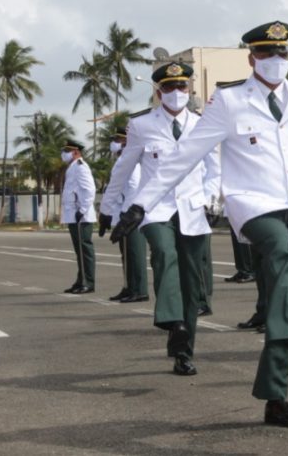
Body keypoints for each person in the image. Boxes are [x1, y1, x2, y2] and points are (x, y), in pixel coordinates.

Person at [111, 21, 288, 428]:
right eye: (266, 53)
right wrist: (140, 205)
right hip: (253, 205)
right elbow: (185, 155)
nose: (275, 59)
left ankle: (275, 398)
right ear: (252, 59)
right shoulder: (228, 101)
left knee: (285, 298)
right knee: (281, 256)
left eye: (282, 52)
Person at [103, 62, 221, 377]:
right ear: (158, 92)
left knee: (191, 280)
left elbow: (214, 169)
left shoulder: (203, 124)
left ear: (190, 89)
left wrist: (211, 200)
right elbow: (124, 167)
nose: (176, 92)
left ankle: (183, 351)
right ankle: (173, 320)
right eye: (169, 87)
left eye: (182, 86)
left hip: (193, 210)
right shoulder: (141, 125)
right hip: (155, 209)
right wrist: (108, 207)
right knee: (165, 254)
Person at [101, 127, 149, 303]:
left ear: (126, 142)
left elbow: (134, 187)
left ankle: (139, 290)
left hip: (131, 217)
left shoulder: (133, 161)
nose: (114, 143)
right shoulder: (123, 159)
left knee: (135, 254)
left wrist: (127, 214)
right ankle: (128, 287)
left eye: (117, 140)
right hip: (123, 214)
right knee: (127, 254)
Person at [61, 139, 96, 294]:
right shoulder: (73, 167)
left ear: (75, 152)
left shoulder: (81, 167)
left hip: (81, 216)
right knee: (79, 250)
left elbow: (90, 190)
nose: (64, 154)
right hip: (74, 215)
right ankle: (81, 280)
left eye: (67, 151)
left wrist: (82, 209)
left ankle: (88, 282)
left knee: (84, 250)